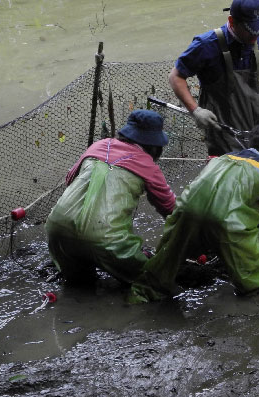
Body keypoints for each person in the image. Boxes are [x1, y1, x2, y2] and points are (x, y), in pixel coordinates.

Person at [128, 124, 259, 302]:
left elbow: (223, 204)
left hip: (183, 212)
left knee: (159, 274)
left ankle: (136, 302)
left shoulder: (223, 158)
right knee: (253, 286)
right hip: (228, 224)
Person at [45, 110, 176, 285]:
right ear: (154, 145)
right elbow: (171, 209)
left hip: (57, 230)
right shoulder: (147, 165)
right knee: (152, 281)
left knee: (79, 287)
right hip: (104, 238)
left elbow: (70, 179)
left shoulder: (98, 146)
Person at [169, 0, 259, 156]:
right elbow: (176, 77)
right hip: (223, 135)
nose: (256, 36)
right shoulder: (206, 44)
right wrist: (195, 110)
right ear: (232, 21)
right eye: (251, 31)